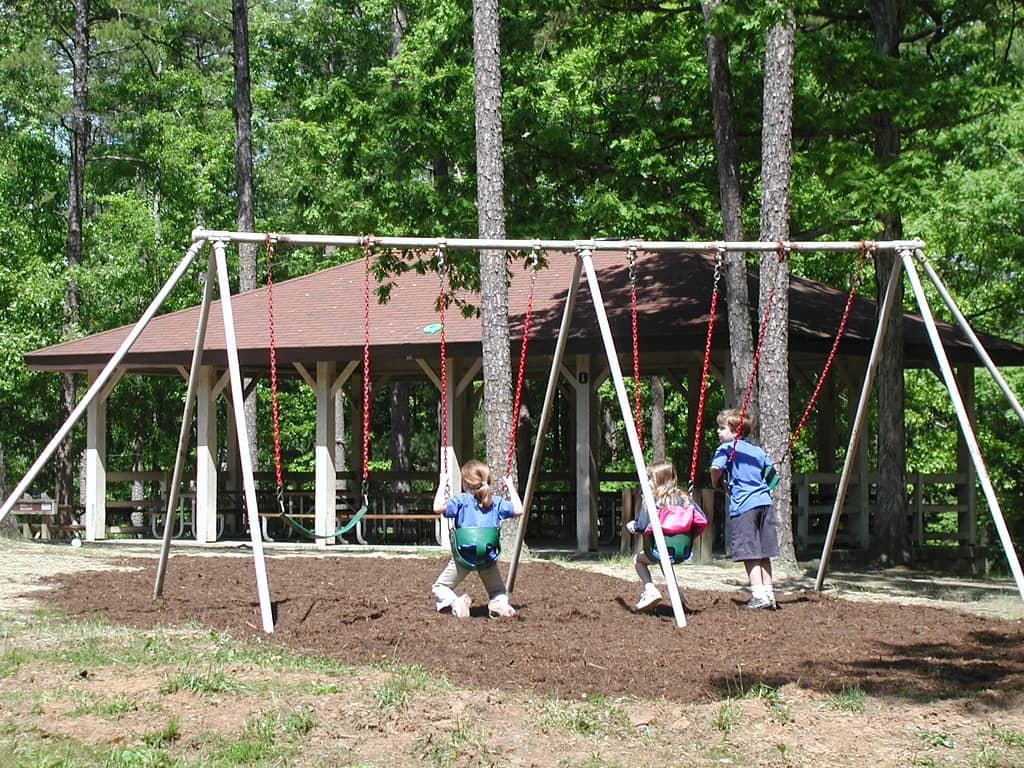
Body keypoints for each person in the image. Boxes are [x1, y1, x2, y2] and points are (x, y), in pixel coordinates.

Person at [431, 458, 524, 619]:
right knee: (498, 591)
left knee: (440, 586)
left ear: (466, 483)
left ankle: (456, 603)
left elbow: (437, 507)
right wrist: (509, 485)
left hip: (463, 558)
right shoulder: (496, 502)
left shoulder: (460, 500)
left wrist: (442, 482)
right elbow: (519, 509)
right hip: (486, 558)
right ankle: (499, 604)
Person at [709, 408, 778, 610]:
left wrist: (717, 483)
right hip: (764, 502)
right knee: (764, 552)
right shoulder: (757, 451)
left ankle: (758, 594)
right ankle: (769, 593)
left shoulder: (727, 448)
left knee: (749, 552)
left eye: (722, 428)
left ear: (735, 432)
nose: (718, 432)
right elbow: (773, 477)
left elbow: (716, 469)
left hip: (744, 505)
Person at [624, 460, 704, 612]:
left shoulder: (652, 501)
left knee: (638, 560)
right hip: (683, 551)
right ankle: (677, 594)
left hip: (656, 551)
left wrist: (632, 526)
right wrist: (688, 535)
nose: (645, 482)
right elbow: (701, 519)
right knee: (665, 558)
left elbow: (641, 525)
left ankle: (650, 590)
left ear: (658, 481)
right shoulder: (686, 499)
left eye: (649, 478)